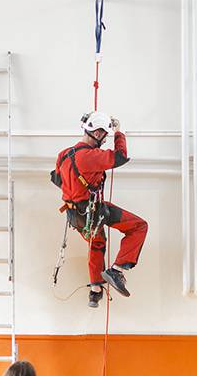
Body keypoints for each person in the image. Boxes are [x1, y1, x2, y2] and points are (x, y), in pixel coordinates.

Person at [54, 111, 148, 308]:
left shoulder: (63, 155)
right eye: (104, 136)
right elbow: (120, 157)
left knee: (97, 243)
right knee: (139, 226)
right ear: (97, 133)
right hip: (94, 211)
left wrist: (77, 188)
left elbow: (56, 178)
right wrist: (119, 132)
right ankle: (117, 269)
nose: (105, 140)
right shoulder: (91, 156)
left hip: (75, 216)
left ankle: (95, 290)